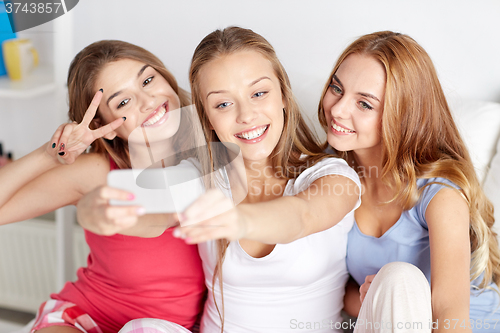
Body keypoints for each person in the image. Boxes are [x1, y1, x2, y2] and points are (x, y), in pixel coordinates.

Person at [88, 26, 360, 333]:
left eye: (259, 93)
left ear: (283, 94)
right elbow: (147, 212)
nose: (246, 115)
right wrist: (98, 211)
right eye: (223, 104)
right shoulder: (201, 178)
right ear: (209, 119)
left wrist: (238, 219)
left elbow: (302, 215)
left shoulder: (334, 176)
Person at [0, 40, 206, 333]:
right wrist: (49, 154)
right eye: (123, 102)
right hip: (86, 316)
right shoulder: (98, 173)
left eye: (148, 80)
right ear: (102, 124)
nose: (148, 101)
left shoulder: (215, 150)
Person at [318, 31, 500, 332]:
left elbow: (450, 315)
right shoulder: (330, 174)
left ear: (403, 116)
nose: (337, 109)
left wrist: (401, 298)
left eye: (364, 104)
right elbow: (340, 290)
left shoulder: (439, 195)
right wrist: (382, 300)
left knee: (400, 277)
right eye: (337, 88)